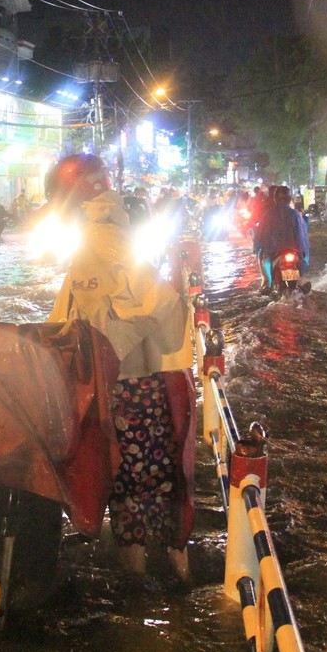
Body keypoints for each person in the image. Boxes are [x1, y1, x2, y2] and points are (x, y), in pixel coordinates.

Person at [44, 154, 195, 584]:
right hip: (142, 383)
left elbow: (157, 299)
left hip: (125, 385)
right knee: (155, 479)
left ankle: (141, 598)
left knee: (128, 485)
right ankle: (175, 580)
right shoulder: (111, 229)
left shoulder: (98, 234)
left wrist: (109, 348)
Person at [254, 185, 311, 292]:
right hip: (294, 252)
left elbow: (260, 235)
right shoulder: (295, 214)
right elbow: (303, 235)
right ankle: (300, 279)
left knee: (261, 255)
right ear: (288, 199)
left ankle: (266, 282)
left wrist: (257, 245)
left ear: (275, 198)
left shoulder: (268, 214)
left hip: (274, 252)